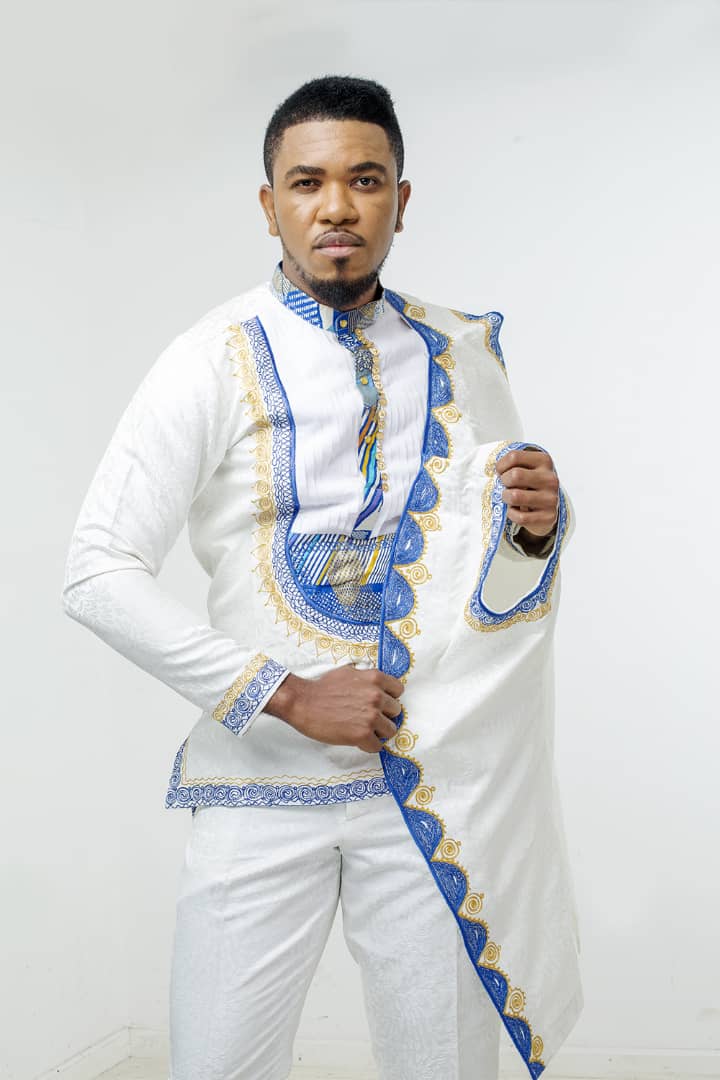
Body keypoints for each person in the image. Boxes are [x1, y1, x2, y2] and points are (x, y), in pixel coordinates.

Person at [62, 76, 582, 1080]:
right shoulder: (211, 359)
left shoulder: (462, 353)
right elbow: (96, 570)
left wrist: (537, 527)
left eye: (365, 180)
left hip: (428, 791)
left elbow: (493, 565)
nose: (336, 207)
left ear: (401, 200)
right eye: (307, 183)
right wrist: (290, 696)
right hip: (260, 783)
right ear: (270, 205)